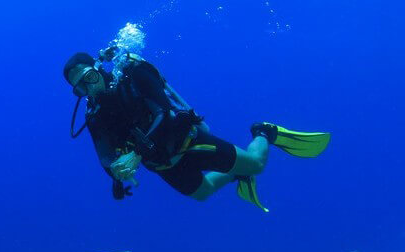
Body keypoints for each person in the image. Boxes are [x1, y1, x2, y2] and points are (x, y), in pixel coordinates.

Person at [63, 51, 330, 211]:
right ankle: (237, 174)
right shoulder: (95, 115)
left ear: (98, 68)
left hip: (189, 142)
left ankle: (263, 133)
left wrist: (136, 155)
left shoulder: (133, 75)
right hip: (164, 165)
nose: (90, 88)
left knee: (257, 165)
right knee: (203, 193)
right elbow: (104, 154)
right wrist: (116, 172)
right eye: (81, 87)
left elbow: (163, 112)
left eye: (89, 77)